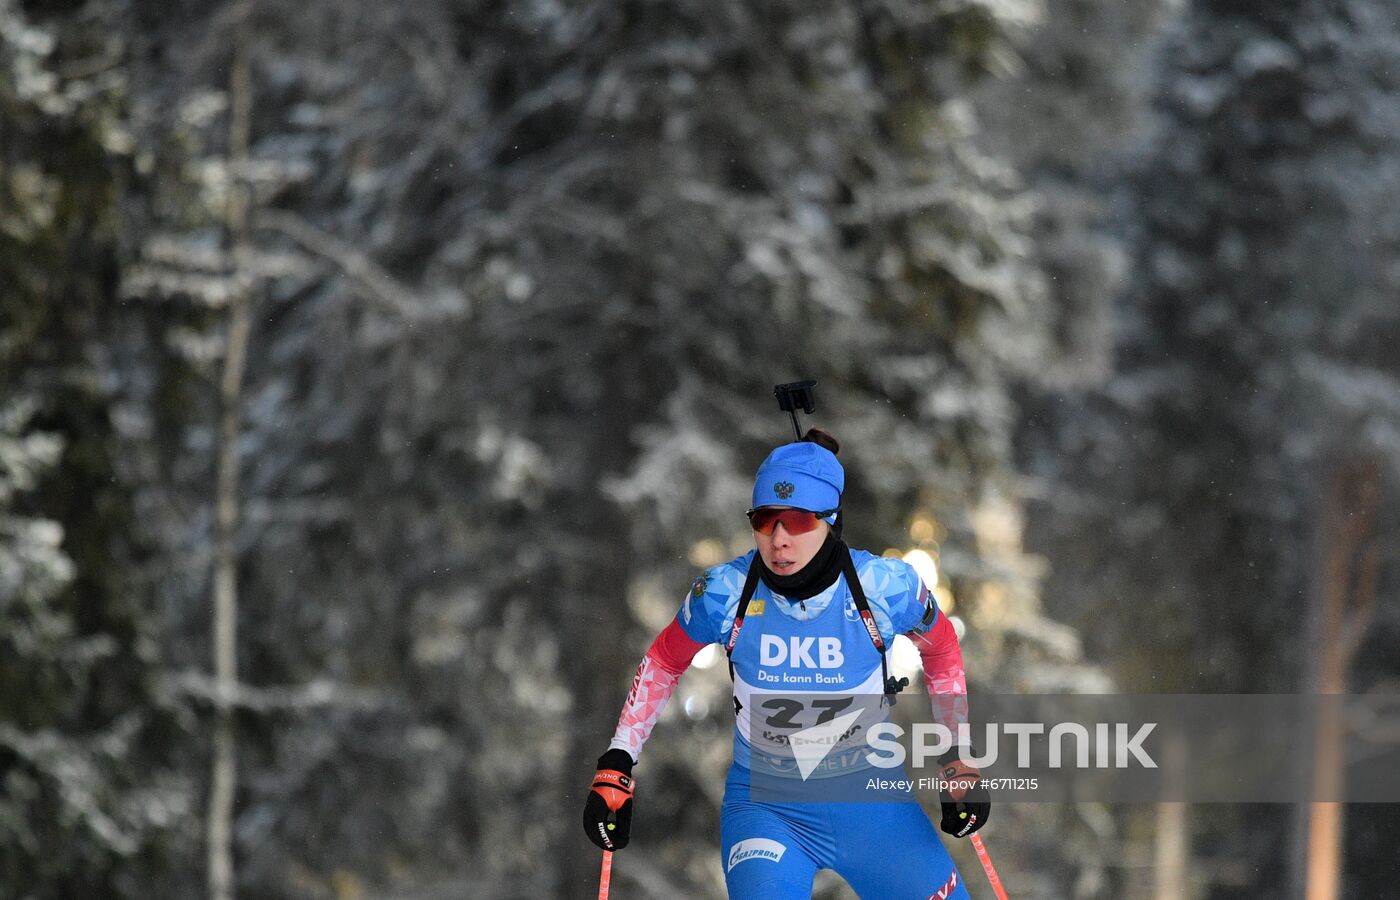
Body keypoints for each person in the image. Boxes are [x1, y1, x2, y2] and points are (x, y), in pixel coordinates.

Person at [583, 430, 990, 898]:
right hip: (768, 810)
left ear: (831, 520)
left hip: (872, 805)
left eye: (797, 521)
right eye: (764, 520)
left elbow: (940, 649)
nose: (778, 540)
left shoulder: (886, 587)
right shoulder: (724, 592)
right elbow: (662, 662)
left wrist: (957, 754)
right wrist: (618, 761)